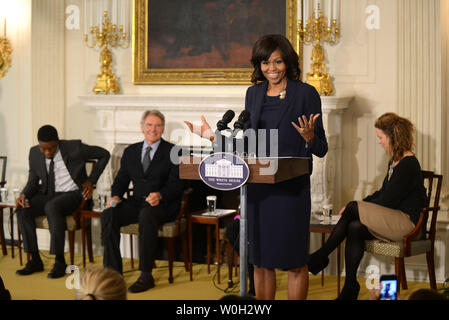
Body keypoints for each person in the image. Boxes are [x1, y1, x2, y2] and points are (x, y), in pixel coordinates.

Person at [185, 34, 328, 300]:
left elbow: (322, 148)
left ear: (287, 62)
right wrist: (211, 136)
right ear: (258, 65)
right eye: (265, 63)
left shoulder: (306, 93)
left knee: (295, 260)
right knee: (261, 260)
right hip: (259, 189)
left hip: (292, 189)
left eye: (277, 62)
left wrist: (310, 137)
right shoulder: (254, 94)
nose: (271, 68)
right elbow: (246, 141)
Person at [308, 112, 429, 300]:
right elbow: (381, 193)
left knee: (352, 208)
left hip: (407, 224)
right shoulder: (395, 161)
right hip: (393, 219)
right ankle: (350, 287)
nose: (379, 142)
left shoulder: (409, 164)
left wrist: (356, 208)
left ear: (393, 137)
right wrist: (359, 207)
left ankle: (320, 256)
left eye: (381, 137)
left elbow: (388, 200)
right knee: (354, 227)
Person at [101, 110, 184, 293]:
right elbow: (122, 179)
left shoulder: (173, 151)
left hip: (164, 205)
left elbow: (177, 185)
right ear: (142, 127)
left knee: (147, 215)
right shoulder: (131, 151)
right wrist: (115, 195)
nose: (153, 129)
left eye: (157, 126)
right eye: (149, 125)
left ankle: (146, 275)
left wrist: (160, 195)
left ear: (163, 129)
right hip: (136, 201)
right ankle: (113, 273)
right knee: (109, 214)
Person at [15, 125, 110, 278]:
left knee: (52, 207)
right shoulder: (34, 153)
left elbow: (104, 154)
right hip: (48, 193)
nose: (47, 152)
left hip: (73, 194)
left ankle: (60, 262)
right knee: (22, 209)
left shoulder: (75, 148)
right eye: (43, 149)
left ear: (57, 142)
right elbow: (33, 182)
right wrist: (23, 195)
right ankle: (35, 260)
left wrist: (91, 181)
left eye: (51, 148)